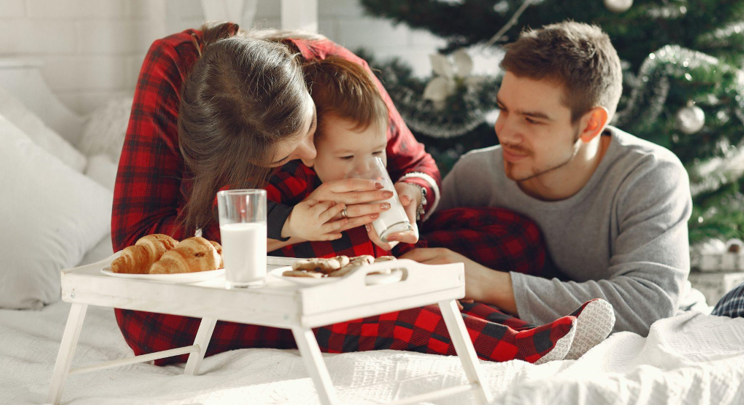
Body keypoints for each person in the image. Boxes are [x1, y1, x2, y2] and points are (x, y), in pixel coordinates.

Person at [112, 23, 437, 363]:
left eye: (310, 125)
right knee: (155, 325)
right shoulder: (170, 70)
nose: (311, 154)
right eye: (284, 157)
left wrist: (409, 196)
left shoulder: (335, 72)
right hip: (231, 281)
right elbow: (136, 246)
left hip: (327, 271)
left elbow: (417, 165)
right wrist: (288, 225)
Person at [266, 55, 614, 363]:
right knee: (417, 316)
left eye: (376, 153)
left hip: (388, 279)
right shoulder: (296, 179)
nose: (367, 169)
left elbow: (419, 170)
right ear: (309, 145)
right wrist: (296, 222)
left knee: (449, 300)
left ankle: (538, 332)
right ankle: (521, 348)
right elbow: (239, 225)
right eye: (346, 157)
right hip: (333, 312)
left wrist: (408, 203)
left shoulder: (373, 167)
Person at [403, 21, 692, 336]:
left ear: (590, 125)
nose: (505, 132)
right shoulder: (477, 173)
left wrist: (487, 282)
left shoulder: (650, 175)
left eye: (531, 119)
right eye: (503, 109)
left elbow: (648, 307)